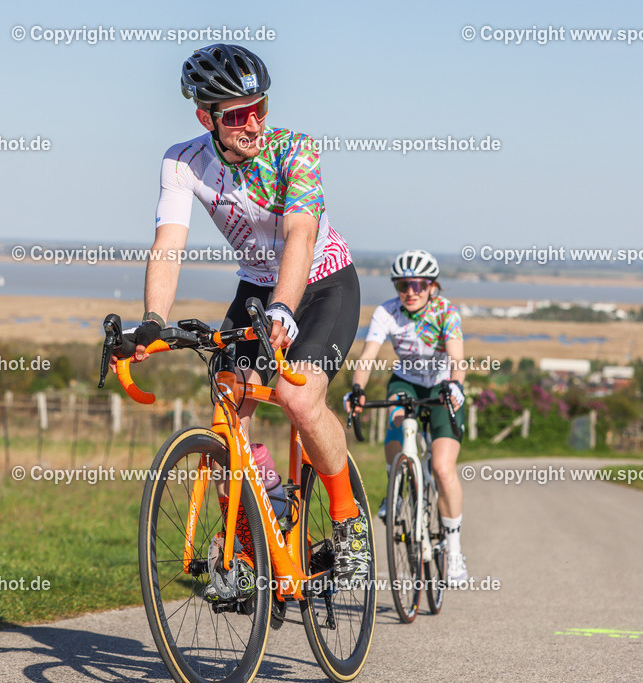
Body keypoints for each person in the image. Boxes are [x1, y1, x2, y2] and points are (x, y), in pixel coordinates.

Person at [117, 44, 368, 591]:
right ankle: (260, 528)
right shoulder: (182, 162)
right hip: (256, 286)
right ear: (205, 116)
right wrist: (153, 320)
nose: (253, 123)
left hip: (323, 282)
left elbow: (301, 233)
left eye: (260, 108)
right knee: (231, 405)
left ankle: (349, 521)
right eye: (237, 115)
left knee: (300, 399)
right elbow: (168, 243)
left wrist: (285, 304)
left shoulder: (295, 150)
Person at [346, 249, 469, 581]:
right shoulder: (387, 312)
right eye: (402, 285)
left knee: (443, 468)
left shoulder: (446, 312)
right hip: (407, 383)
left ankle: (454, 551)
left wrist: (456, 386)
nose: (410, 292)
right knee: (396, 430)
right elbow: (367, 357)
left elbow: (458, 361)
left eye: (418, 285)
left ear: (432, 286)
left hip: (443, 386)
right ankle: (396, 486)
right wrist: (357, 389)